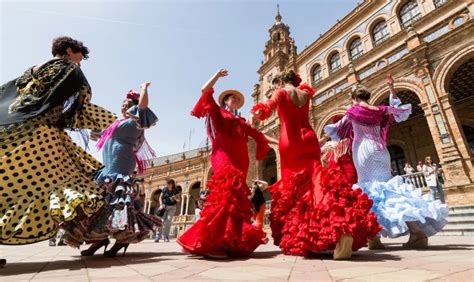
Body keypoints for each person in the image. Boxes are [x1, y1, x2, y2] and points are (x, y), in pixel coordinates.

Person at [0, 36, 116, 266]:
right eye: (80, 56)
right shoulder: (69, 69)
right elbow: (78, 106)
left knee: (9, 187)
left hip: (13, 131)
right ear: (70, 51)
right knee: (68, 183)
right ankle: (91, 231)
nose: (81, 62)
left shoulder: (32, 70)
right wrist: (104, 123)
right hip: (41, 137)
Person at [252, 71, 380, 259]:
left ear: (279, 82)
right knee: (318, 183)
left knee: (295, 190)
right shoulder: (305, 93)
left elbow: (267, 108)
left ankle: (309, 234)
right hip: (309, 138)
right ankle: (341, 227)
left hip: (291, 141)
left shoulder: (280, 92)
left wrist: (258, 111)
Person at [324, 74, 448, 249]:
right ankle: (416, 233)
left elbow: (336, 129)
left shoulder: (352, 112)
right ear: (368, 97)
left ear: (354, 99)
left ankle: (374, 237)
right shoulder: (380, 111)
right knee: (389, 189)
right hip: (382, 151)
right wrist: (391, 88)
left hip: (364, 151)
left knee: (368, 191)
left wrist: (323, 141)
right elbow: (399, 111)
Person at [177, 69, 271, 258]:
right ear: (225, 100)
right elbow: (204, 90)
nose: (235, 100)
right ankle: (211, 241)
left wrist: (284, 143)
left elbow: (259, 136)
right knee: (224, 193)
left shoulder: (240, 121)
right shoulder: (217, 112)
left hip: (241, 159)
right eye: (232, 98)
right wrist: (217, 76)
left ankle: (228, 240)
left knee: (235, 198)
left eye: (237, 99)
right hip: (223, 156)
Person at [63, 83, 162, 257]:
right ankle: (99, 238)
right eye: (122, 104)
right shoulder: (116, 123)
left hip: (122, 164)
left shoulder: (135, 121)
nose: (123, 106)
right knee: (100, 202)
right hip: (108, 166)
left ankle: (121, 238)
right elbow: (98, 135)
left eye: (127, 104)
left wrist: (144, 89)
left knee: (119, 202)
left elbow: (143, 106)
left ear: (134, 107)